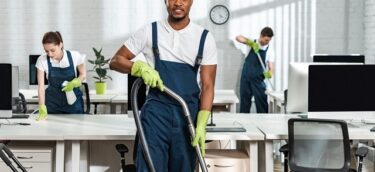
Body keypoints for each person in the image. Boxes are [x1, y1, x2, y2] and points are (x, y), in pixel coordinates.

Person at [109, 0, 217, 171]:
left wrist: (202, 124)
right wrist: (139, 67)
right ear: (166, 2)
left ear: (192, 2)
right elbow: (115, 61)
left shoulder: (204, 37)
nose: (178, 2)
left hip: (187, 115)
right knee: (149, 166)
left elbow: (208, 86)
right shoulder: (150, 31)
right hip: (155, 115)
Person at [35, 31, 86, 120]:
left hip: (72, 102)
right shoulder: (42, 60)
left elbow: (83, 74)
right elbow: (41, 88)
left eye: (52, 50)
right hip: (52, 103)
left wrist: (75, 82)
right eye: (46, 51)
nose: (49, 54)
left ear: (60, 45)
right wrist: (42, 107)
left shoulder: (75, 56)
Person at [236, 27, 274, 113]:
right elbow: (238, 37)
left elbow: (271, 66)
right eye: (266, 40)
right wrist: (250, 43)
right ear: (261, 36)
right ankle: (244, 122)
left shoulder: (270, 50)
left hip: (258, 80)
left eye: (269, 40)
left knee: (262, 103)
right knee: (245, 102)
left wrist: (270, 73)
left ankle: (263, 123)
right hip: (246, 78)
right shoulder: (253, 42)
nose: (267, 42)